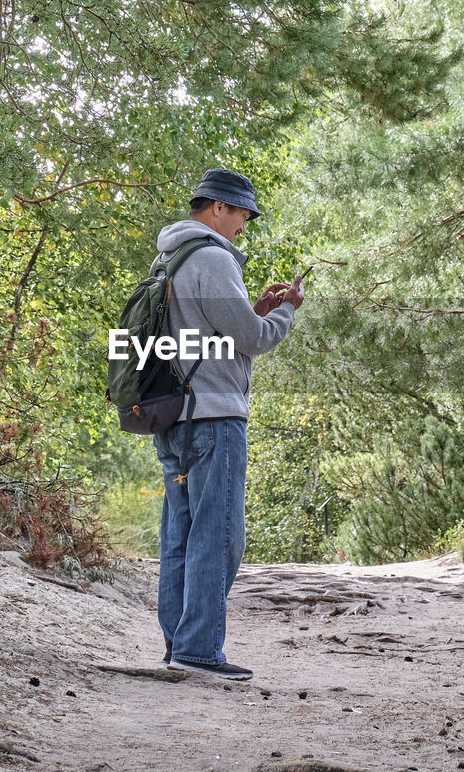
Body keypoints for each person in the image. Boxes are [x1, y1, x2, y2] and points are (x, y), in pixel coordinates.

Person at [151, 168, 305, 680]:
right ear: (218, 207)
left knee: (181, 534)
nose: (245, 223)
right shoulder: (214, 257)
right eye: (243, 213)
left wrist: (254, 308)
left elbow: (207, 332)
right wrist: (284, 311)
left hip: (172, 419)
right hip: (215, 418)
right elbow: (255, 339)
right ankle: (199, 651)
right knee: (218, 537)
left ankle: (180, 645)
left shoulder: (167, 257)